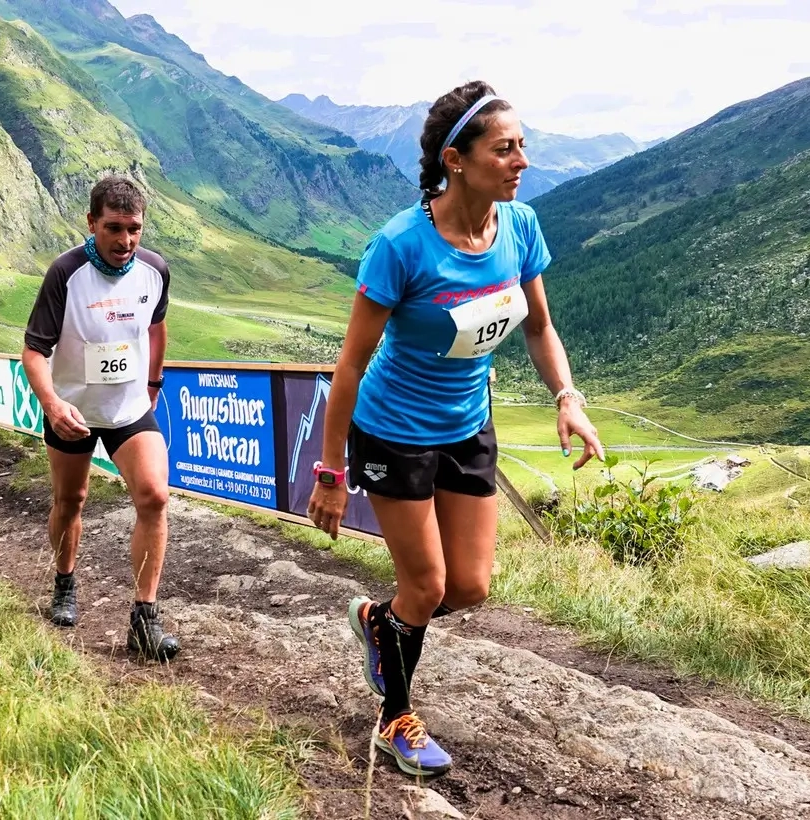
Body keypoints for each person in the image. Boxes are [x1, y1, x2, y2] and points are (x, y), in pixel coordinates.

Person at [307, 82, 606, 777]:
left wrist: (566, 395)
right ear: (457, 160)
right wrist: (329, 471)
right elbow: (349, 367)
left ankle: (381, 625)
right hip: (393, 432)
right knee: (428, 586)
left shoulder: (520, 227)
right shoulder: (402, 246)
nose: (521, 161)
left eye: (522, 146)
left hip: (467, 426)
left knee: (470, 587)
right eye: (505, 149)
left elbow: (538, 325)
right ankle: (395, 720)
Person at [21, 175, 179, 662]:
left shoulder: (154, 270)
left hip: (129, 410)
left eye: (135, 229)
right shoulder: (64, 273)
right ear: (92, 223)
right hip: (71, 412)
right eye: (114, 228)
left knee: (154, 496)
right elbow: (32, 351)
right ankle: (64, 584)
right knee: (71, 500)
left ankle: (144, 619)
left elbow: (156, 328)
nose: (125, 241)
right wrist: (52, 404)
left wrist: (152, 384)